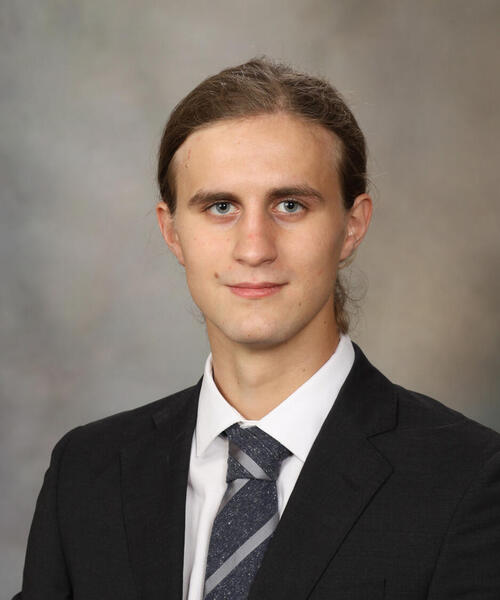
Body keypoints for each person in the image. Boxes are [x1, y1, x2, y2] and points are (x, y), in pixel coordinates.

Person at [14, 58, 500, 600]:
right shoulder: (88, 473)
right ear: (172, 232)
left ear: (352, 225)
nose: (254, 248)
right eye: (221, 206)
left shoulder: (469, 479)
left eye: (290, 205)